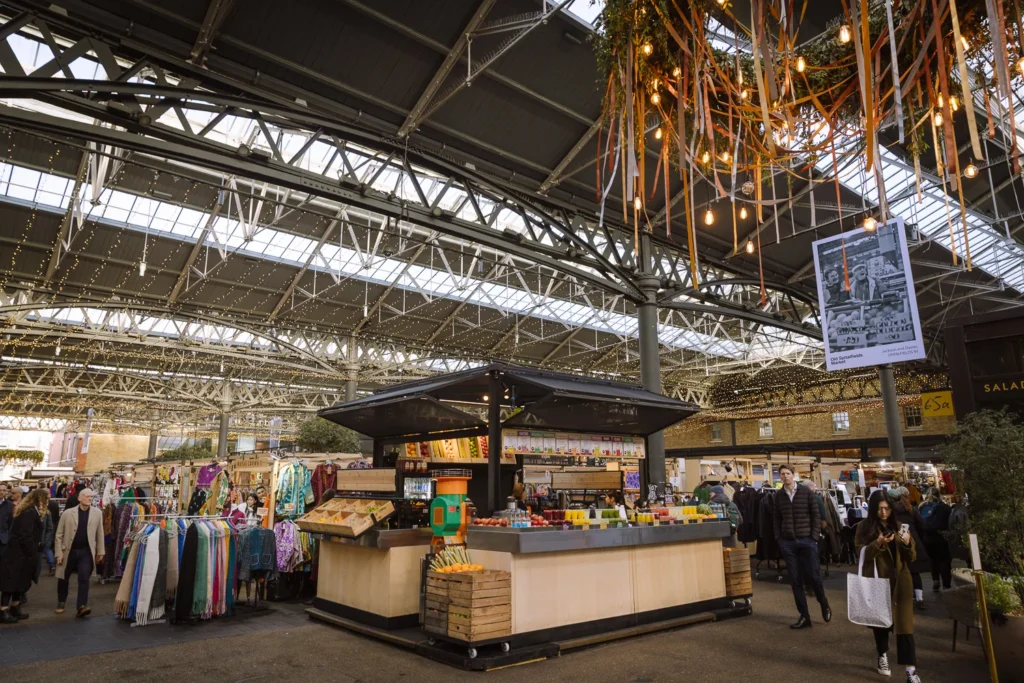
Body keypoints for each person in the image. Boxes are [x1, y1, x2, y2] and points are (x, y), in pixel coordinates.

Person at [855, 491, 921, 682]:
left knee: (905, 627)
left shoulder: (900, 527)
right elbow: (861, 554)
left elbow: (912, 557)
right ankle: (882, 654)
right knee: (881, 623)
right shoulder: (864, 527)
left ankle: (910, 670)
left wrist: (908, 544)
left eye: (887, 509)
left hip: (902, 582)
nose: (884, 513)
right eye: (879, 509)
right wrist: (879, 543)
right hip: (878, 580)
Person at [773, 463, 831, 628]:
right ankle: (804, 616)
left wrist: (813, 537)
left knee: (814, 575)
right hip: (788, 542)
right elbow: (776, 518)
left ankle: (823, 602)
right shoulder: (779, 496)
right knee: (795, 579)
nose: (785, 476)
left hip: (806, 540)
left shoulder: (806, 492)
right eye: (782, 474)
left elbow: (816, 514)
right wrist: (779, 538)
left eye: (787, 474)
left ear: (793, 475)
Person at [54, 487, 104, 618]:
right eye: (87, 496)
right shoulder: (67, 513)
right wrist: (58, 553)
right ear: (79, 498)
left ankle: (81, 606)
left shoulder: (97, 513)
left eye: (91, 497)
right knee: (64, 576)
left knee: (84, 577)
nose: (89, 499)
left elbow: (100, 533)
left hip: (86, 551)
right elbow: (59, 534)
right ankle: (61, 601)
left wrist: (100, 551)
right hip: (68, 550)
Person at [0, 488, 49, 623]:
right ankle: (3, 610)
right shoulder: (29, 512)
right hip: (17, 554)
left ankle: (15, 607)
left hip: (21, 554)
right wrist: (33, 550)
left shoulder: (29, 511)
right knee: (10, 582)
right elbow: (25, 535)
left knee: (19, 581)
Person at [887, 488, 930, 609]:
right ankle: (919, 598)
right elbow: (923, 525)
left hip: (897, 543)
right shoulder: (911, 509)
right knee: (915, 572)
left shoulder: (890, 512)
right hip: (914, 542)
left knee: (901, 571)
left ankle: (903, 598)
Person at [918, 488, 952, 592]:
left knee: (933, 561)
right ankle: (946, 585)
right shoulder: (945, 508)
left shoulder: (922, 506)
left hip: (928, 539)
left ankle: (935, 581)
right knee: (944, 561)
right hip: (942, 538)